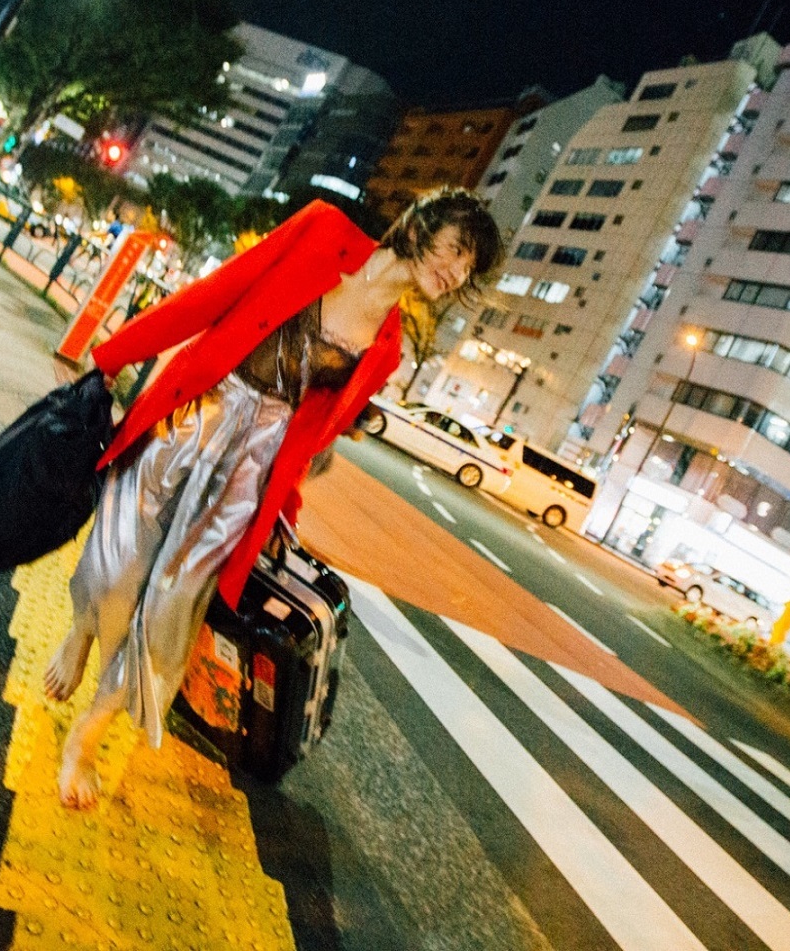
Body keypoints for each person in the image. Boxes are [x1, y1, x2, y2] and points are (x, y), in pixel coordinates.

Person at [41, 189, 502, 809]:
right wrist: (110, 357)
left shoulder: (388, 346)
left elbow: (315, 438)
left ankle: (84, 742)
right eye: (457, 249)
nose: (455, 271)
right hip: (198, 413)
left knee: (171, 610)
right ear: (422, 223)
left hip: (250, 467)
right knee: (118, 568)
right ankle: (82, 633)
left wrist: (281, 513)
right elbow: (215, 295)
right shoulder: (321, 231)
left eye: (467, 269)